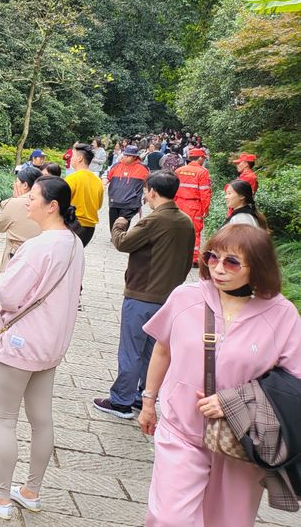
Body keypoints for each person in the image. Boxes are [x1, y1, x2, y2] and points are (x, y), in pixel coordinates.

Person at [138, 225, 301, 527]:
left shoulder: (281, 314)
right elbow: (163, 349)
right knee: (167, 519)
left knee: (228, 522)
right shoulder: (186, 297)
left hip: (241, 441)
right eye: (213, 257)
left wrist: (233, 401)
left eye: (232, 262)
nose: (218, 268)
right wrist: (148, 400)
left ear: (258, 265)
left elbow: (293, 386)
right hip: (181, 429)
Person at [0, 177, 85, 520]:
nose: (26, 201)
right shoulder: (73, 243)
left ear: (52, 206)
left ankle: (2, 497)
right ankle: (31, 490)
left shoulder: (39, 246)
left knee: (4, 419)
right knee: (41, 420)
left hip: (22, 343)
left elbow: (7, 294)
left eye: (33, 197)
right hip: (51, 345)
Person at [91, 170, 195, 419]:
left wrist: (120, 223)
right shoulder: (185, 221)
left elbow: (123, 243)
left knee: (131, 349)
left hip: (142, 296)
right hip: (169, 298)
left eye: (147, 191)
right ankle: (142, 396)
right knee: (152, 351)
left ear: (152, 192)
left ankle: (121, 401)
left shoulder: (154, 221)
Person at [0, 165, 43, 272]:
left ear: (25, 185)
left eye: (17, 182)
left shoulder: (14, 203)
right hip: (40, 259)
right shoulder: (46, 202)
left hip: (15, 257)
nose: (14, 184)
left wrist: (13, 201)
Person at [174, 147, 213, 263]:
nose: (204, 160)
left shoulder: (179, 170)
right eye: (203, 158)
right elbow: (205, 193)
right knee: (194, 231)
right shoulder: (202, 172)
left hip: (178, 204)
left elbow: (173, 189)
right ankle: (193, 258)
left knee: (178, 229)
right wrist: (206, 209)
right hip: (194, 206)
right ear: (200, 158)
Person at [65, 143, 104, 246]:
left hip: (73, 225)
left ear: (80, 158)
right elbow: (99, 205)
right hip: (90, 228)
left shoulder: (72, 179)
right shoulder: (98, 181)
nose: (71, 158)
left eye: (73, 156)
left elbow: (62, 202)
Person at [104, 145, 149, 225]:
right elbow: (107, 177)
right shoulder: (116, 166)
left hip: (130, 203)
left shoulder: (142, 168)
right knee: (113, 225)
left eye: (128, 156)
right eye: (125, 154)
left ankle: (119, 237)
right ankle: (115, 237)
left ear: (135, 157)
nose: (125, 157)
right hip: (114, 201)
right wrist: (102, 185)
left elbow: (148, 182)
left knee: (121, 225)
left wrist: (147, 194)